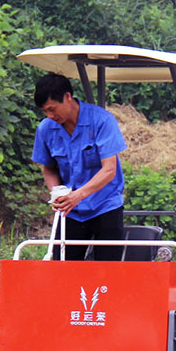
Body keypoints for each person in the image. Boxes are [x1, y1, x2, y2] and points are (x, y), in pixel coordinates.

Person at [31, 73, 127, 261]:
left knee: (107, 273)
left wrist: (78, 195)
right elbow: (49, 168)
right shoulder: (45, 129)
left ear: (67, 97)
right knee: (62, 270)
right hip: (71, 211)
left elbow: (109, 169)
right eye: (45, 112)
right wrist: (57, 193)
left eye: (52, 109)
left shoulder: (102, 121)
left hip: (104, 205)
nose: (50, 116)